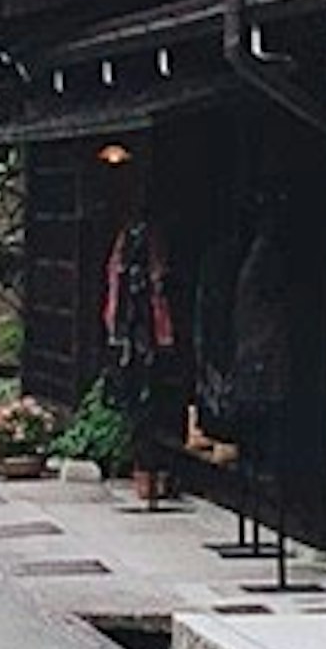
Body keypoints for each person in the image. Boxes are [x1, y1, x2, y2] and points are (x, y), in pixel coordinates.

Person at [104, 215, 191, 510]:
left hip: (147, 340)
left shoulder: (144, 267)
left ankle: (155, 475)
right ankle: (149, 475)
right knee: (142, 407)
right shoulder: (130, 260)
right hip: (140, 340)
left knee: (153, 405)